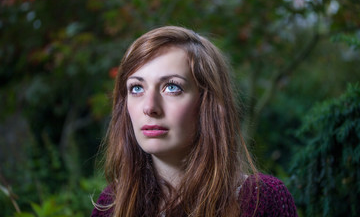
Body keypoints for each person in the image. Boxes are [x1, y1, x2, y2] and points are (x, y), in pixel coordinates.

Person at [91, 26, 297, 217]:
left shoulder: (262, 200)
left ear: (209, 104)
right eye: (137, 88)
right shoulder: (111, 205)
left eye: (172, 87)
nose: (149, 107)